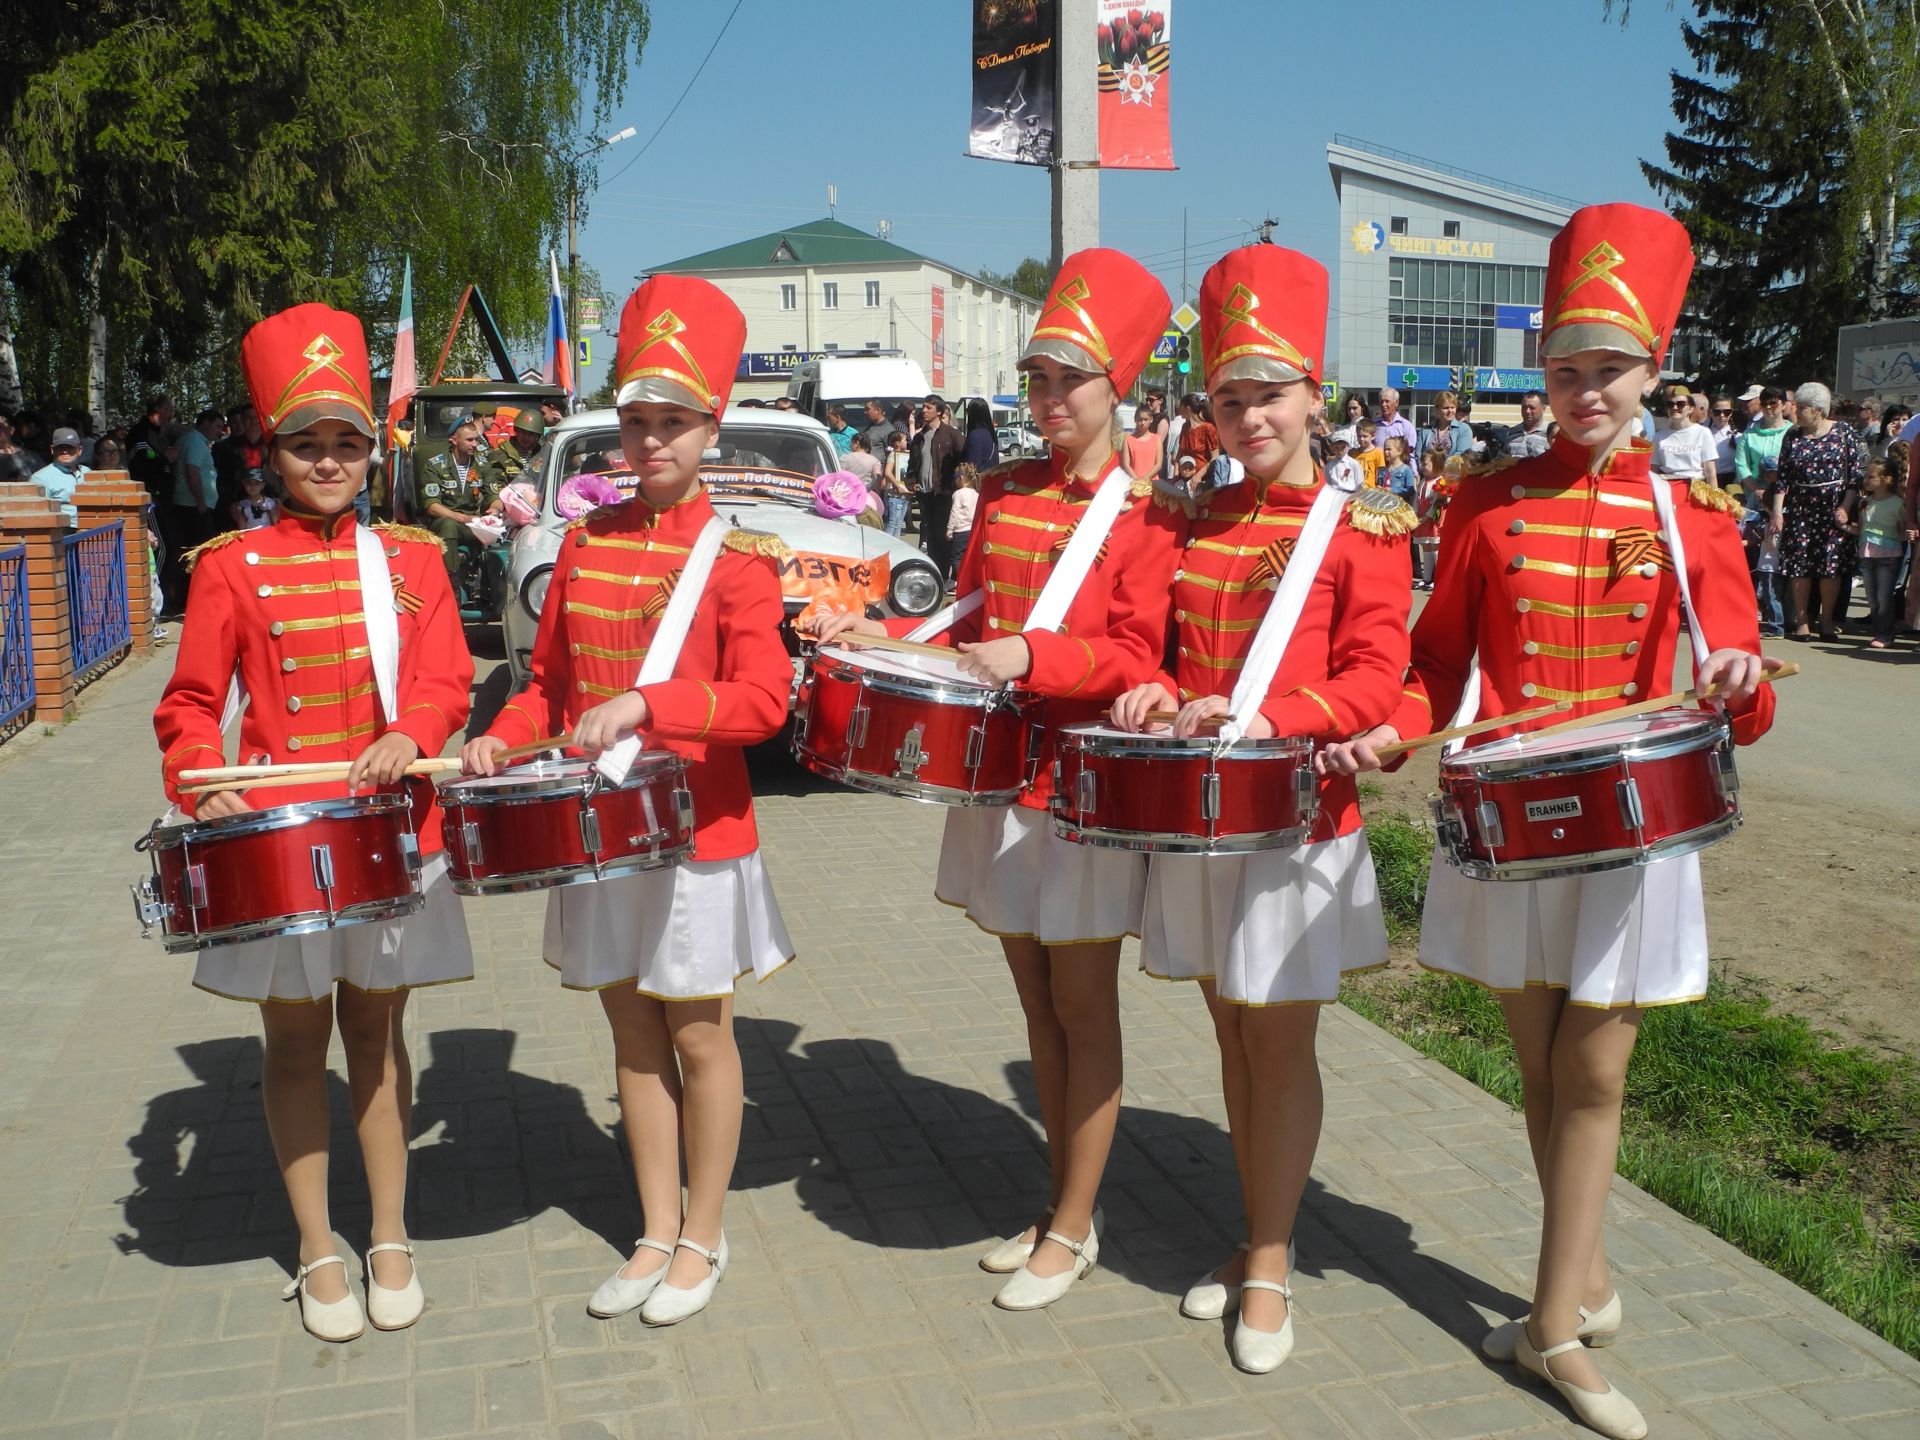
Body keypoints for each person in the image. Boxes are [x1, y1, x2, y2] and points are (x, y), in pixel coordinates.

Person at [1324, 204, 1776, 1440]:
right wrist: (1388, 726)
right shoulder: (1482, 505)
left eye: (1610, 370)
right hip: (1516, 818)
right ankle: (1581, 1274)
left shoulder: (1695, 521)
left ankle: (1551, 1333)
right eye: (1567, 370)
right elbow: (1433, 663)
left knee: (1595, 1070)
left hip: (1631, 827)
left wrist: (1739, 678)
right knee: (1537, 1067)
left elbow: (1744, 681)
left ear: (1652, 375)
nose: (1587, 391)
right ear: (1545, 375)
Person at [812, 248, 1179, 1314]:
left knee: (1082, 1002)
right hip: (999, 779)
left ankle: (1073, 1223)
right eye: (1038, 378)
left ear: (1121, 389)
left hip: (1077, 788)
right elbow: (969, 616)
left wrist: (1042, 658)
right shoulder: (1007, 495)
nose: (1050, 399)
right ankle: (1064, 1199)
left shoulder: (1151, 517)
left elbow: (1142, 655)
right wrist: (884, 630)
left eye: (1072, 380)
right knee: (1034, 1001)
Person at [461, 275, 793, 1329]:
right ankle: (653, 1227)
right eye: (637, 421)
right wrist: (495, 745)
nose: (652, 442)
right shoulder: (585, 546)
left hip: (699, 831)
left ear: (712, 426)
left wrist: (652, 700)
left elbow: (764, 702)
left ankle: (705, 1232)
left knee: (698, 1035)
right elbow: (549, 691)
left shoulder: (738, 560)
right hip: (592, 829)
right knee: (630, 1035)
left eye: (674, 423)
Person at [1110, 244, 1415, 1377]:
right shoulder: (1187, 522)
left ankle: (1274, 1260)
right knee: (1231, 1035)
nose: (1248, 419)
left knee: (1278, 1044)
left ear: (1313, 396)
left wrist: (1266, 714)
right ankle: (1252, 1233)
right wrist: (1148, 683)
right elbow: (1151, 641)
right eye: (1229, 398)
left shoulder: (1366, 527)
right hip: (1199, 822)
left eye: (1269, 396)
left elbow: (1379, 676)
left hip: (1294, 824)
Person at [152, 303, 475, 1342]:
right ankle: (316, 1245)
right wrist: (203, 780)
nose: (328, 462)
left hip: (385, 831)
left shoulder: (414, 560)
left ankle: (388, 1232)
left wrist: (412, 727)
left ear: (370, 450)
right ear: (272, 448)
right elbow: (190, 709)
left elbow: (446, 680)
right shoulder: (227, 569)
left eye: (346, 442)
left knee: (378, 1039)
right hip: (286, 845)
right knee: (296, 1048)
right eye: (306, 443)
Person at [1772, 381, 1862, 641]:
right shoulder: (1793, 435)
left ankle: (1826, 620)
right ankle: (1802, 621)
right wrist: (1778, 511)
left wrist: (1845, 506)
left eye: (1801, 408)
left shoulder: (1844, 432)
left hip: (1834, 508)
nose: (1796, 412)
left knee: (1830, 565)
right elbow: (1783, 477)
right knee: (1799, 565)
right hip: (1800, 508)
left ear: (1818, 410)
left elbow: (1855, 475)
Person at [418, 421, 499, 582]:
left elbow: (495, 495)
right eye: (469, 440)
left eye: (476, 439)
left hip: (473, 525)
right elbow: (432, 506)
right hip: (443, 523)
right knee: (449, 525)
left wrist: (495, 509)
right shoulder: (436, 465)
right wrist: (462, 518)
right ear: (454, 440)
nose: (474, 444)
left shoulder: (482, 465)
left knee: (500, 531)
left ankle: (490, 584)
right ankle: (451, 580)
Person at [910, 395, 965, 579]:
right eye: (923, 407)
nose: (924, 411)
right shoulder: (919, 437)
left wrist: (959, 483)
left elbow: (964, 462)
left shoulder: (952, 435)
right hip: (924, 494)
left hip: (944, 493)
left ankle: (944, 574)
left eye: (928, 407)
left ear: (939, 412)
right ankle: (936, 574)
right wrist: (912, 480)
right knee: (930, 537)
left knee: (943, 536)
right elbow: (912, 464)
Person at [1853, 460, 1905, 649]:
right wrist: (1843, 524)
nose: (1866, 480)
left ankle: (1885, 633)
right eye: (1866, 476)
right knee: (1872, 596)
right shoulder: (1865, 502)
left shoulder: (1897, 503)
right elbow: (1861, 529)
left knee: (1884, 596)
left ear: (1887, 479)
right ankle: (1879, 629)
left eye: (1871, 476)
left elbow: (1902, 530)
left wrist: (1909, 534)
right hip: (1867, 553)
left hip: (1888, 554)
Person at [1732, 387, 1791, 505]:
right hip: (1756, 496)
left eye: (1773, 403)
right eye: (1764, 404)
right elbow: (1741, 465)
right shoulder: (1749, 435)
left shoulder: (1793, 432)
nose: (1768, 407)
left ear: (1784, 405)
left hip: (1787, 495)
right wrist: (1757, 489)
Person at [1651, 385, 1718, 487]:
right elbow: (1653, 470)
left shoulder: (1703, 432)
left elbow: (1710, 470)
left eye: (1680, 404)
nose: (1675, 407)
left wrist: (1715, 498)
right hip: (1667, 487)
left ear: (1691, 408)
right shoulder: (1659, 436)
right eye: (1670, 404)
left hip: (1695, 488)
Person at [478, 410, 545, 501]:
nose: (526, 437)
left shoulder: (544, 454)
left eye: (531, 434)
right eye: (522, 432)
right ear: (516, 430)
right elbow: (494, 486)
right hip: (508, 504)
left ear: (538, 435)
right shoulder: (499, 455)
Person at [30, 427, 89, 523]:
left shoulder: (87, 472)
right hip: (64, 532)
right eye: (60, 447)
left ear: (80, 450)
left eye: (70, 447)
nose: (65, 451)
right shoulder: (40, 478)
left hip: (93, 530)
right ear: (52, 449)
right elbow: (39, 516)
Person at [1416, 390, 1474, 467]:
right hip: (1427, 476)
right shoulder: (1425, 431)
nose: (1450, 411)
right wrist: (1426, 470)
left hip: (1452, 476)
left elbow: (1461, 456)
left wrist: (1438, 471)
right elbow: (1417, 456)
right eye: (1446, 408)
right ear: (1437, 409)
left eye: (1452, 407)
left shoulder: (1464, 429)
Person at [946, 461, 979, 583]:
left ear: (961, 478)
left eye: (955, 477)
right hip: (972, 530)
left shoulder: (958, 494)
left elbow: (954, 512)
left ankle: (959, 580)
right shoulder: (976, 494)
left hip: (959, 531)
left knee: (956, 558)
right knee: (969, 557)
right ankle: (968, 580)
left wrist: (949, 530)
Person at [1176, 392, 1220, 471]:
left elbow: (1215, 457)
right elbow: (1179, 455)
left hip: (1203, 477)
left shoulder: (1208, 428)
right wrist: (1175, 476)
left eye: (1181, 406)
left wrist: (1199, 475)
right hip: (1183, 475)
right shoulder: (1185, 427)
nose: (1179, 409)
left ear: (1187, 408)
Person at [880, 430, 912, 536]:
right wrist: (898, 485)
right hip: (895, 495)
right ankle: (889, 547)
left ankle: (895, 547)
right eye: (904, 440)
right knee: (893, 524)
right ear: (897, 443)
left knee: (898, 524)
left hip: (904, 495)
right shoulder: (893, 455)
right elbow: (888, 473)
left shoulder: (905, 455)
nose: (906, 442)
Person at [1374, 385, 1418, 460]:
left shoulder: (1407, 426)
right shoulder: (1373, 425)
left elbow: (1411, 454)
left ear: (1396, 403)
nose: (1383, 404)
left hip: (1399, 469)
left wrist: (1413, 471)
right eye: (1381, 401)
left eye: (1387, 401)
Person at [1123, 404, 1162, 485]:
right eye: (1140, 420)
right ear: (1135, 420)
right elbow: (1126, 464)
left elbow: (1158, 464)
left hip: (1153, 483)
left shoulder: (1157, 439)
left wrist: (1145, 478)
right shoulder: (1128, 440)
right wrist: (1137, 480)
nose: (1142, 422)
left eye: (1145, 419)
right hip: (1134, 482)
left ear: (1151, 419)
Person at [963, 396, 998, 472]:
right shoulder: (990, 433)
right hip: (991, 478)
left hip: (979, 481)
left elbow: (972, 467)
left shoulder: (975, 436)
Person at [1351, 416, 1384, 488]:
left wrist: (1379, 486)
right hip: (1355, 490)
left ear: (1373, 436)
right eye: (1359, 436)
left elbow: (1380, 473)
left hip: (1371, 491)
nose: (1361, 439)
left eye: (1365, 436)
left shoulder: (1377, 453)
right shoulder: (1353, 453)